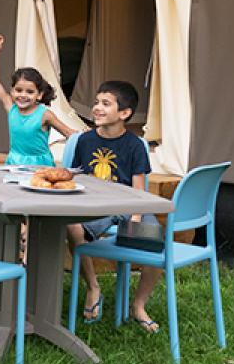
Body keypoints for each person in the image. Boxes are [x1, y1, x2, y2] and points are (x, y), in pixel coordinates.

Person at [66, 80, 162, 333]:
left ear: (124, 113)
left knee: (155, 243)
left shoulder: (135, 146)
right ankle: (93, 287)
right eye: (96, 102)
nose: (97, 108)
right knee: (73, 229)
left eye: (105, 104)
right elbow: (77, 174)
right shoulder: (84, 141)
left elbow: (139, 189)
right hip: (94, 207)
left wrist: (137, 217)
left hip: (130, 205)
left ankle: (138, 305)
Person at [0, 35, 76, 166]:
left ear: (39, 95)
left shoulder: (45, 114)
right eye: (18, 90)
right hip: (14, 162)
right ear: (12, 91)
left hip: (40, 165)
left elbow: (68, 133)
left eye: (29, 92)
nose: (23, 95)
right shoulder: (10, 107)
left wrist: (88, 137)